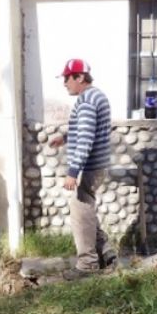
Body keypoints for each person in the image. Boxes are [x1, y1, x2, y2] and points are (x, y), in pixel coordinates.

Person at [49, 58, 117, 280]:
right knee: (86, 208)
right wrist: (66, 137)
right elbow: (88, 129)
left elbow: (87, 138)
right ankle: (106, 252)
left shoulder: (87, 101)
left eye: (67, 78)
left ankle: (87, 264)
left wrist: (73, 171)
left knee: (80, 209)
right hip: (97, 165)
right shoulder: (95, 96)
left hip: (89, 167)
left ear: (79, 77)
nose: (65, 83)